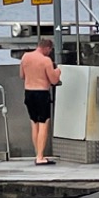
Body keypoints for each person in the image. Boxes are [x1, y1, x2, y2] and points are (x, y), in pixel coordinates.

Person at [19, 37, 61, 165]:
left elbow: (22, 76)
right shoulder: (46, 60)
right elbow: (53, 80)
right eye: (50, 50)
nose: (50, 52)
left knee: (34, 122)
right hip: (41, 93)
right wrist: (58, 71)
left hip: (28, 92)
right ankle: (40, 157)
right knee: (44, 123)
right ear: (47, 48)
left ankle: (38, 153)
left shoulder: (25, 57)